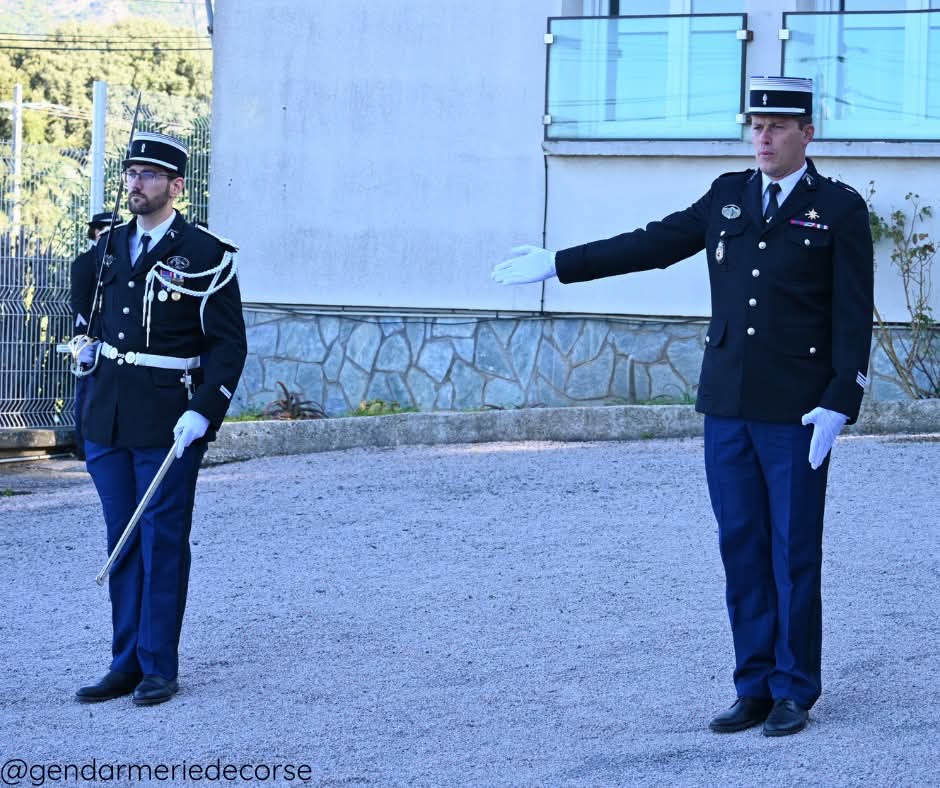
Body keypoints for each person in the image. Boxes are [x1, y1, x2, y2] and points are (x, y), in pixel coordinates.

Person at [491, 76, 873, 737]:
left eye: (778, 127)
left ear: (808, 133)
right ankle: (752, 685)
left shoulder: (836, 208)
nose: (763, 136)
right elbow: (654, 242)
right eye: (755, 124)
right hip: (726, 404)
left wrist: (841, 399)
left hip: (796, 411)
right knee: (742, 547)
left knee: (793, 551)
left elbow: (852, 313)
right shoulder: (727, 196)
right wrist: (560, 262)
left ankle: (794, 689)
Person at [74, 131, 247, 706]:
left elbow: (227, 347)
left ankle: (158, 666)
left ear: (176, 186)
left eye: (149, 175)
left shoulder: (205, 255)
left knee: (162, 540)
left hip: (170, 420)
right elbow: (85, 319)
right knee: (120, 541)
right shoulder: (101, 252)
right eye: (130, 173)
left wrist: (204, 409)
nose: (135, 184)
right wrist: (83, 347)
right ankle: (123, 662)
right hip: (107, 416)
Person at [69, 211, 123, 460]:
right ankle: (82, 446)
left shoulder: (119, 259)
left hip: (116, 335)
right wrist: (83, 339)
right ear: (94, 234)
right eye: (103, 231)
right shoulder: (84, 262)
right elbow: (80, 304)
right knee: (87, 389)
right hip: (91, 336)